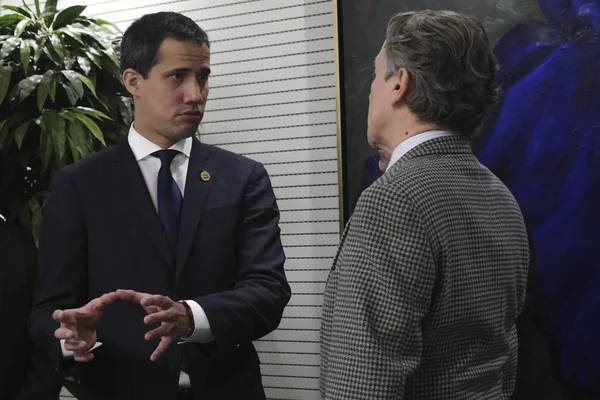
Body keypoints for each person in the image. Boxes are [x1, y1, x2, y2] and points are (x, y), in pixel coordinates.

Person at [29, 11, 291, 400]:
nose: (195, 94)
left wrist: (191, 318)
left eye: (202, 77)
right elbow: (46, 310)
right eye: (177, 77)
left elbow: (268, 291)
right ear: (134, 81)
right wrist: (69, 339)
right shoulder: (80, 185)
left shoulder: (243, 177)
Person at [319, 10, 530, 399]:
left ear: (400, 83)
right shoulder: (502, 199)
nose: (369, 89)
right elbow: (503, 360)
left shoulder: (394, 201)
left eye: (375, 74)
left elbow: (362, 384)